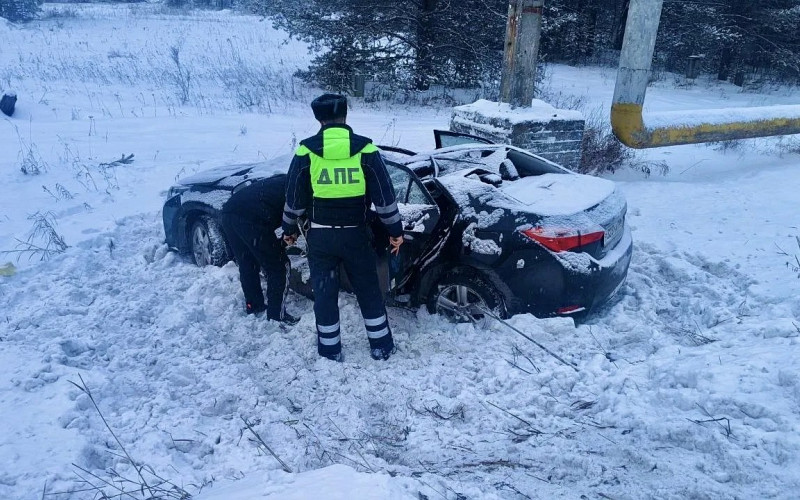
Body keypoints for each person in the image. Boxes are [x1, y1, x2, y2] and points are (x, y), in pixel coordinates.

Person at [282, 93, 404, 361]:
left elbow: (294, 200)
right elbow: (385, 200)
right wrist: (396, 232)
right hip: (356, 236)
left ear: (318, 118)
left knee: (324, 293)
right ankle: (381, 346)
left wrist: (288, 229)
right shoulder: (366, 151)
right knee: (368, 290)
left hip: (321, 237)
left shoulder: (305, 152)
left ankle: (329, 350)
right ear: (345, 115)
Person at [220, 174, 299, 325]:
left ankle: (254, 305)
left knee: (248, 262)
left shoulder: (286, 179)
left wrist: (282, 241)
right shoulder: (300, 190)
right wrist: (286, 240)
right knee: (280, 266)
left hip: (229, 212)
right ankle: (277, 316)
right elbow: (295, 221)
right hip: (251, 219)